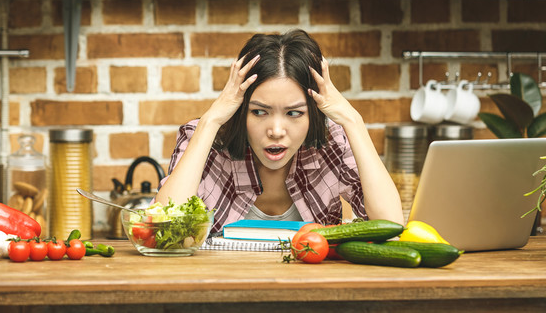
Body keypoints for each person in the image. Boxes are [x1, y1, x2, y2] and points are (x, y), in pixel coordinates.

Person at [156, 29, 403, 232]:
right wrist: (210, 121)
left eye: (294, 113)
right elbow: (162, 230)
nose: (275, 131)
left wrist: (353, 120)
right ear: (241, 109)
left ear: (313, 112)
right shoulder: (204, 140)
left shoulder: (332, 144)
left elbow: (391, 226)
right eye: (259, 112)